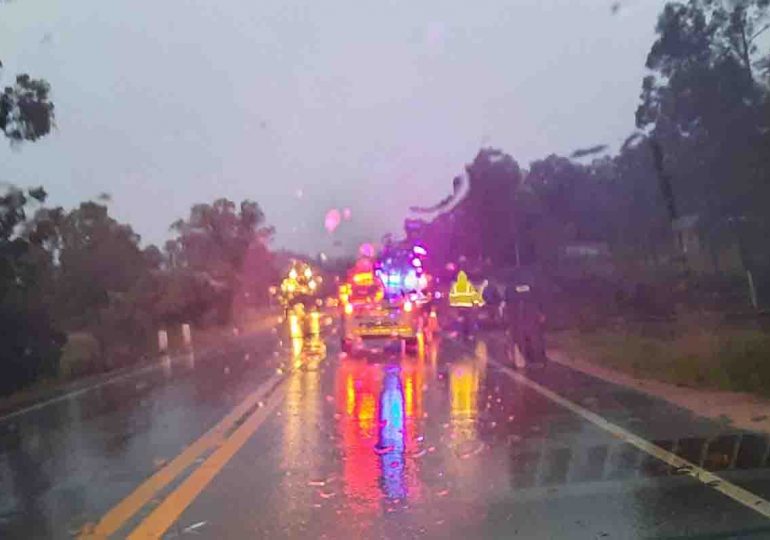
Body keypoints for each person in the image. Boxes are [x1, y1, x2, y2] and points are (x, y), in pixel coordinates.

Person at [503, 272, 547, 367]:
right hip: (529, 315)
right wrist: (541, 313)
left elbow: (507, 303)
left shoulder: (511, 289)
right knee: (533, 337)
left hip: (518, 317)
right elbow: (539, 300)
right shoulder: (532, 287)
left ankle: (524, 359)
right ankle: (536, 359)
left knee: (519, 338)